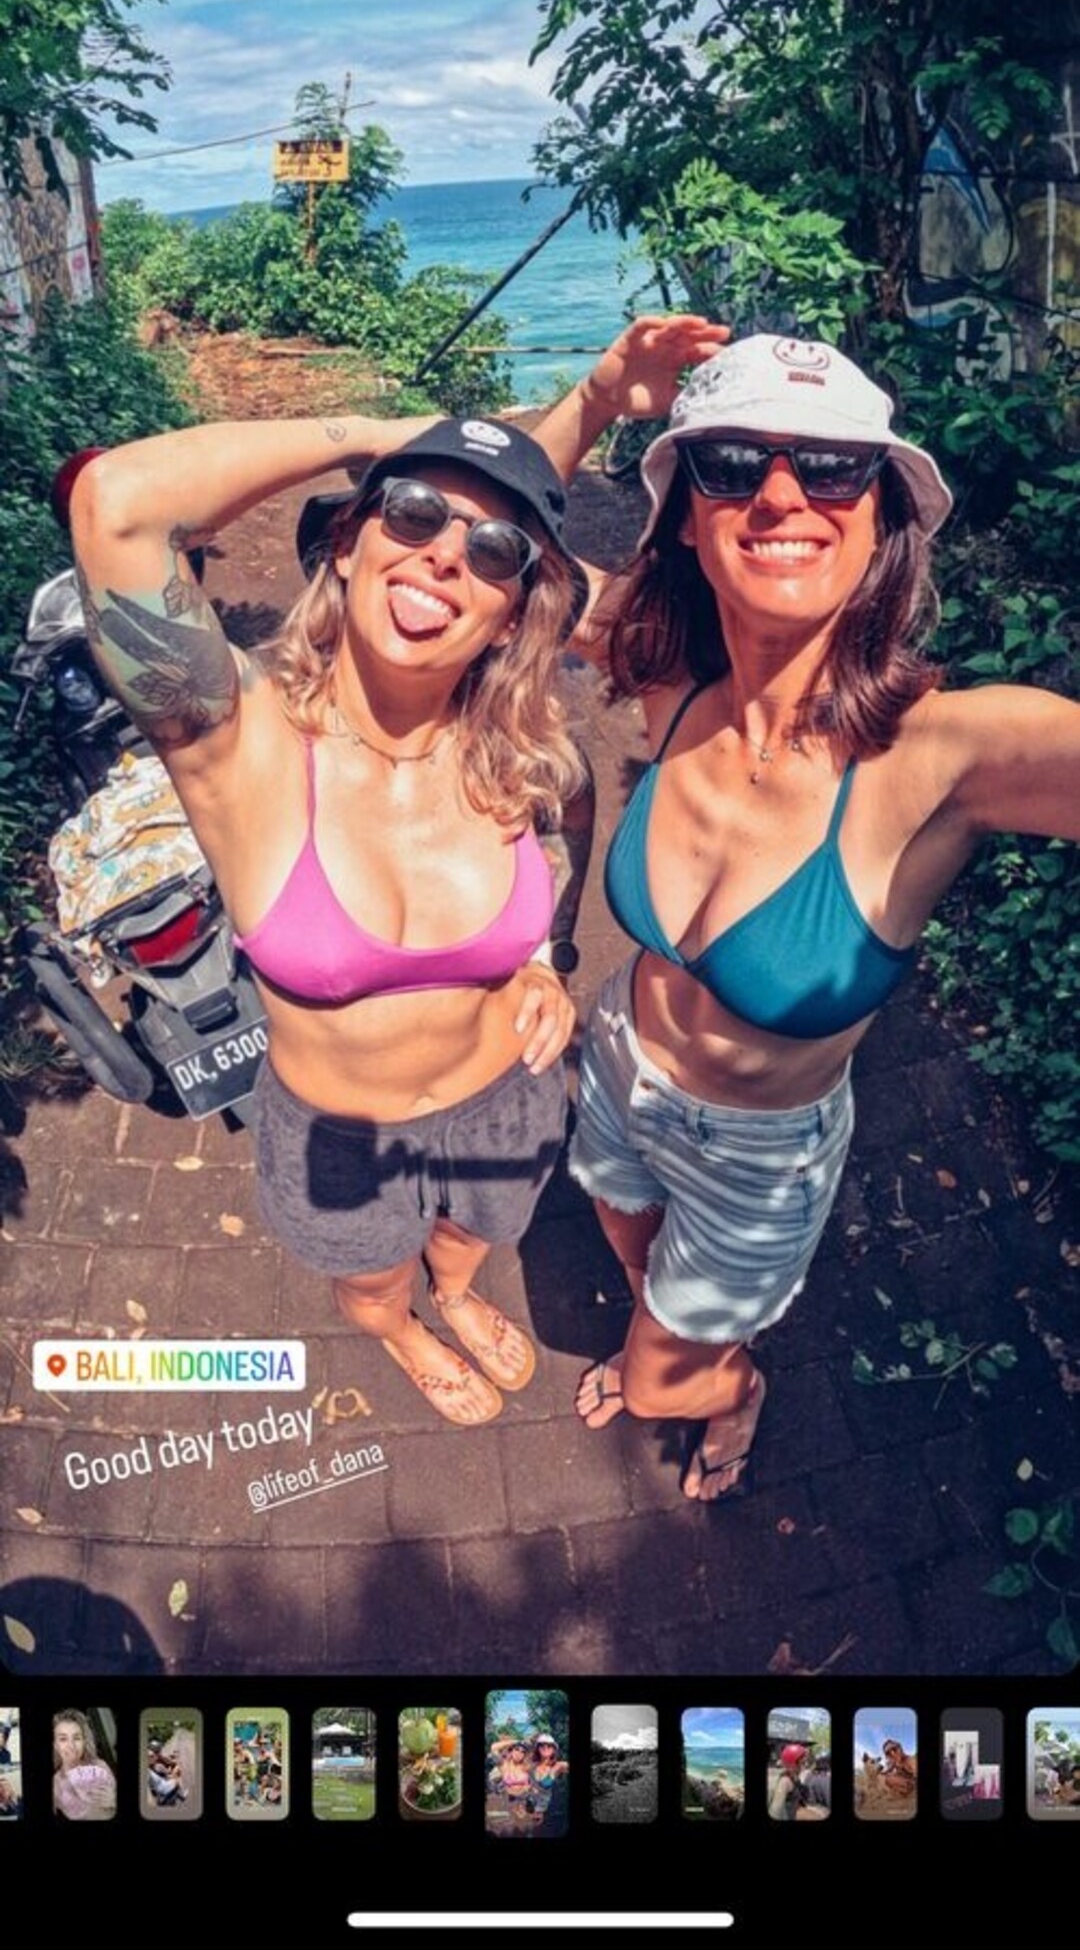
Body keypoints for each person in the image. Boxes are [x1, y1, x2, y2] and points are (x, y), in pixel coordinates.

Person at [69, 327, 714, 1425]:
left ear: (513, 614)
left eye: (490, 555)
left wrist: (547, 956)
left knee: (472, 1238)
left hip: (509, 1096)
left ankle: (453, 1295)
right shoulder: (242, 748)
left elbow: (568, 812)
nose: (445, 557)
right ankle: (404, 1325)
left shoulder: (515, 746)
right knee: (371, 1281)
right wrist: (382, 437)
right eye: (409, 516)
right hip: (338, 1137)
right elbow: (114, 506)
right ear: (347, 545)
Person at [540, 330, 1080, 1500]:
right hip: (618, 1060)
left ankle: (725, 1391)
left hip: (757, 1152)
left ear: (884, 516)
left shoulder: (946, 754)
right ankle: (675, 1332)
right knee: (624, 1229)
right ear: (688, 519)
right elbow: (487, 537)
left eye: (833, 466)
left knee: (660, 1381)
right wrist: (594, 397)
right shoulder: (666, 676)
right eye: (733, 462)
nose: (782, 494)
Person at [52, 1710, 117, 1821]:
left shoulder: (100, 1766)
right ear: (55, 1745)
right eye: (63, 1739)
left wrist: (114, 1801)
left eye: (77, 1738)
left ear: (84, 1742)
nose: (71, 1746)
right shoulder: (55, 1784)